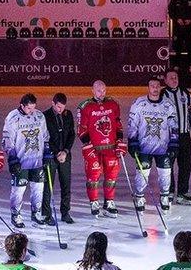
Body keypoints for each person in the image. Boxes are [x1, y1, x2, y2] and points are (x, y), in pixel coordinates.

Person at [127, 77, 179, 212]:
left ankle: (164, 196)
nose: (155, 88)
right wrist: (132, 142)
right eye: (152, 86)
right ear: (148, 87)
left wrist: (174, 143)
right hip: (144, 147)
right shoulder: (139, 103)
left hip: (163, 147)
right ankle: (139, 196)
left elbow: (174, 126)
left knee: (165, 173)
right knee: (142, 173)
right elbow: (132, 124)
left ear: (160, 87)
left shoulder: (168, 105)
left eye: (157, 86)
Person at [3, 94, 53, 228]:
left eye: (33, 108)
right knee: (18, 189)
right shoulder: (13, 117)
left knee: (38, 188)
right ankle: (16, 214)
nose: (31, 111)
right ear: (22, 105)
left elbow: (45, 135)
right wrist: (12, 158)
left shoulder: (39, 116)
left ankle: (36, 213)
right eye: (29, 108)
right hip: (21, 161)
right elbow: (8, 139)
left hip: (37, 160)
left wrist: (47, 152)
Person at [76, 81, 123, 218]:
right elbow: (81, 129)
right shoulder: (85, 107)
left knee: (111, 176)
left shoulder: (113, 104)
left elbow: (118, 124)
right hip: (94, 149)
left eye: (104, 90)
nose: (101, 93)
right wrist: (87, 144)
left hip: (111, 148)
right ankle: (94, 202)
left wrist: (120, 140)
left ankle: (109, 202)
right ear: (92, 90)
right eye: (98, 90)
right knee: (93, 177)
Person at [163, 68, 191, 206]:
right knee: (168, 165)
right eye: (171, 77)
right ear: (165, 80)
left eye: (175, 77)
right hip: (169, 137)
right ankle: (169, 191)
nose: (174, 80)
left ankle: (183, 192)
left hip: (184, 135)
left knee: (185, 164)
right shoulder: (162, 95)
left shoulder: (187, 94)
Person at [42, 93, 75, 224]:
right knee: (48, 186)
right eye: (58, 107)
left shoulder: (68, 115)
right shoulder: (45, 116)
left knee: (66, 185)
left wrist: (65, 151)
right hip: (51, 156)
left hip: (65, 156)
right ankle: (46, 214)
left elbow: (71, 134)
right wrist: (56, 152)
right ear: (53, 103)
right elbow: (45, 138)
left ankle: (65, 212)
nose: (60, 110)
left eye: (63, 107)